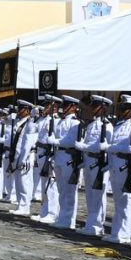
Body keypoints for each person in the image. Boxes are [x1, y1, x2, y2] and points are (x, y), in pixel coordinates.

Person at [106, 95, 131, 244]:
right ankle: (116, 231)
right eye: (122, 108)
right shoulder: (119, 125)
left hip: (125, 166)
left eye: (126, 109)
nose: (122, 111)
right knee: (118, 200)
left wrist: (116, 147)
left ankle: (124, 234)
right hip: (115, 164)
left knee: (126, 200)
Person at [79, 95, 113, 236]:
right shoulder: (92, 124)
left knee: (98, 195)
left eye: (95, 107)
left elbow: (109, 147)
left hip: (99, 163)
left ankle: (97, 225)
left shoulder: (108, 125)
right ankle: (90, 223)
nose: (92, 109)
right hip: (89, 161)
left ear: (103, 108)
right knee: (90, 194)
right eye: (92, 106)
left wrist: (108, 164)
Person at [49, 95, 82, 230]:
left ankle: (69, 220)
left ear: (73, 107)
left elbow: (71, 141)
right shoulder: (62, 121)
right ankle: (62, 217)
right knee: (61, 190)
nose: (64, 107)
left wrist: (55, 141)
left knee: (69, 191)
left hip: (69, 157)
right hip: (59, 156)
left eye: (67, 105)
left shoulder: (74, 122)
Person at [33, 96, 61, 223]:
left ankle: (52, 212)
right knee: (44, 184)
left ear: (54, 107)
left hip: (49, 153)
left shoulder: (56, 120)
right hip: (41, 152)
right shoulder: (44, 119)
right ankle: (44, 211)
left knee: (51, 184)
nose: (45, 108)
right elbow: (33, 129)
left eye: (47, 105)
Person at [8, 99, 38, 216]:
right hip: (17, 155)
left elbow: (28, 143)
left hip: (25, 156)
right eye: (18, 108)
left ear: (27, 110)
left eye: (21, 109)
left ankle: (25, 207)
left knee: (25, 182)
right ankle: (21, 205)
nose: (18, 111)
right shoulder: (19, 122)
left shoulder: (29, 123)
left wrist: (23, 158)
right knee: (19, 182)